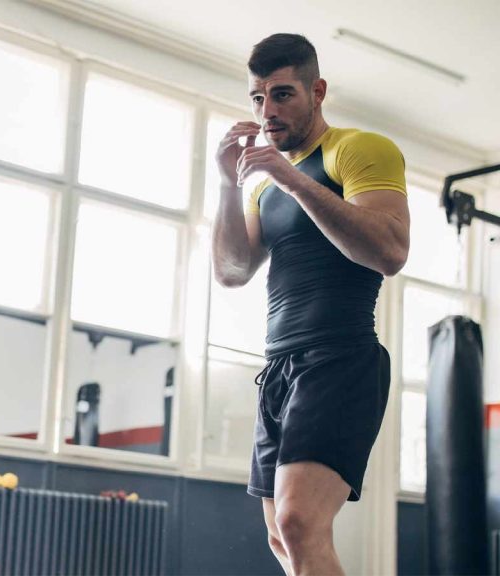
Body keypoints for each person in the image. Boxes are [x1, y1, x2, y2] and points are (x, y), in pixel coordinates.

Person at [212, 33, 409, 576]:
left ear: (316, 90)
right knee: (282, 537)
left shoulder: (358, 149)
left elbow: (389, 252)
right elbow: (232, 271)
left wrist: (293, 179)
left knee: (300, 521)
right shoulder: (265, 185)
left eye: (282, 94)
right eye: (257, 97)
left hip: (340, 357)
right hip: (280, 368)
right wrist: (229, 184)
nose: (267, 111)